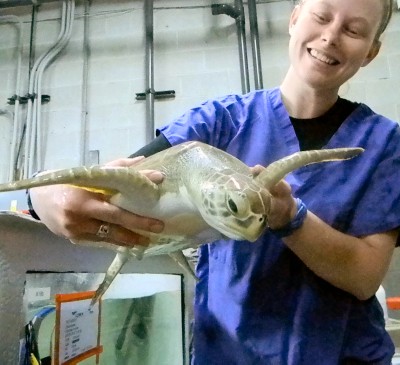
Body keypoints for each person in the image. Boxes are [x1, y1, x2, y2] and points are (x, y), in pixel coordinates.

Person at [28, 0, 400, 363]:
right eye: (321, 16)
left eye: (354, 30)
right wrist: (45, 192)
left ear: (371, 52)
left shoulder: (384, 144)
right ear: (295, 18)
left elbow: (364, 277)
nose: (331, 36)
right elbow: (110, 183)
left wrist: (290, 217)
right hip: (226, 350)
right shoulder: (217, 122)